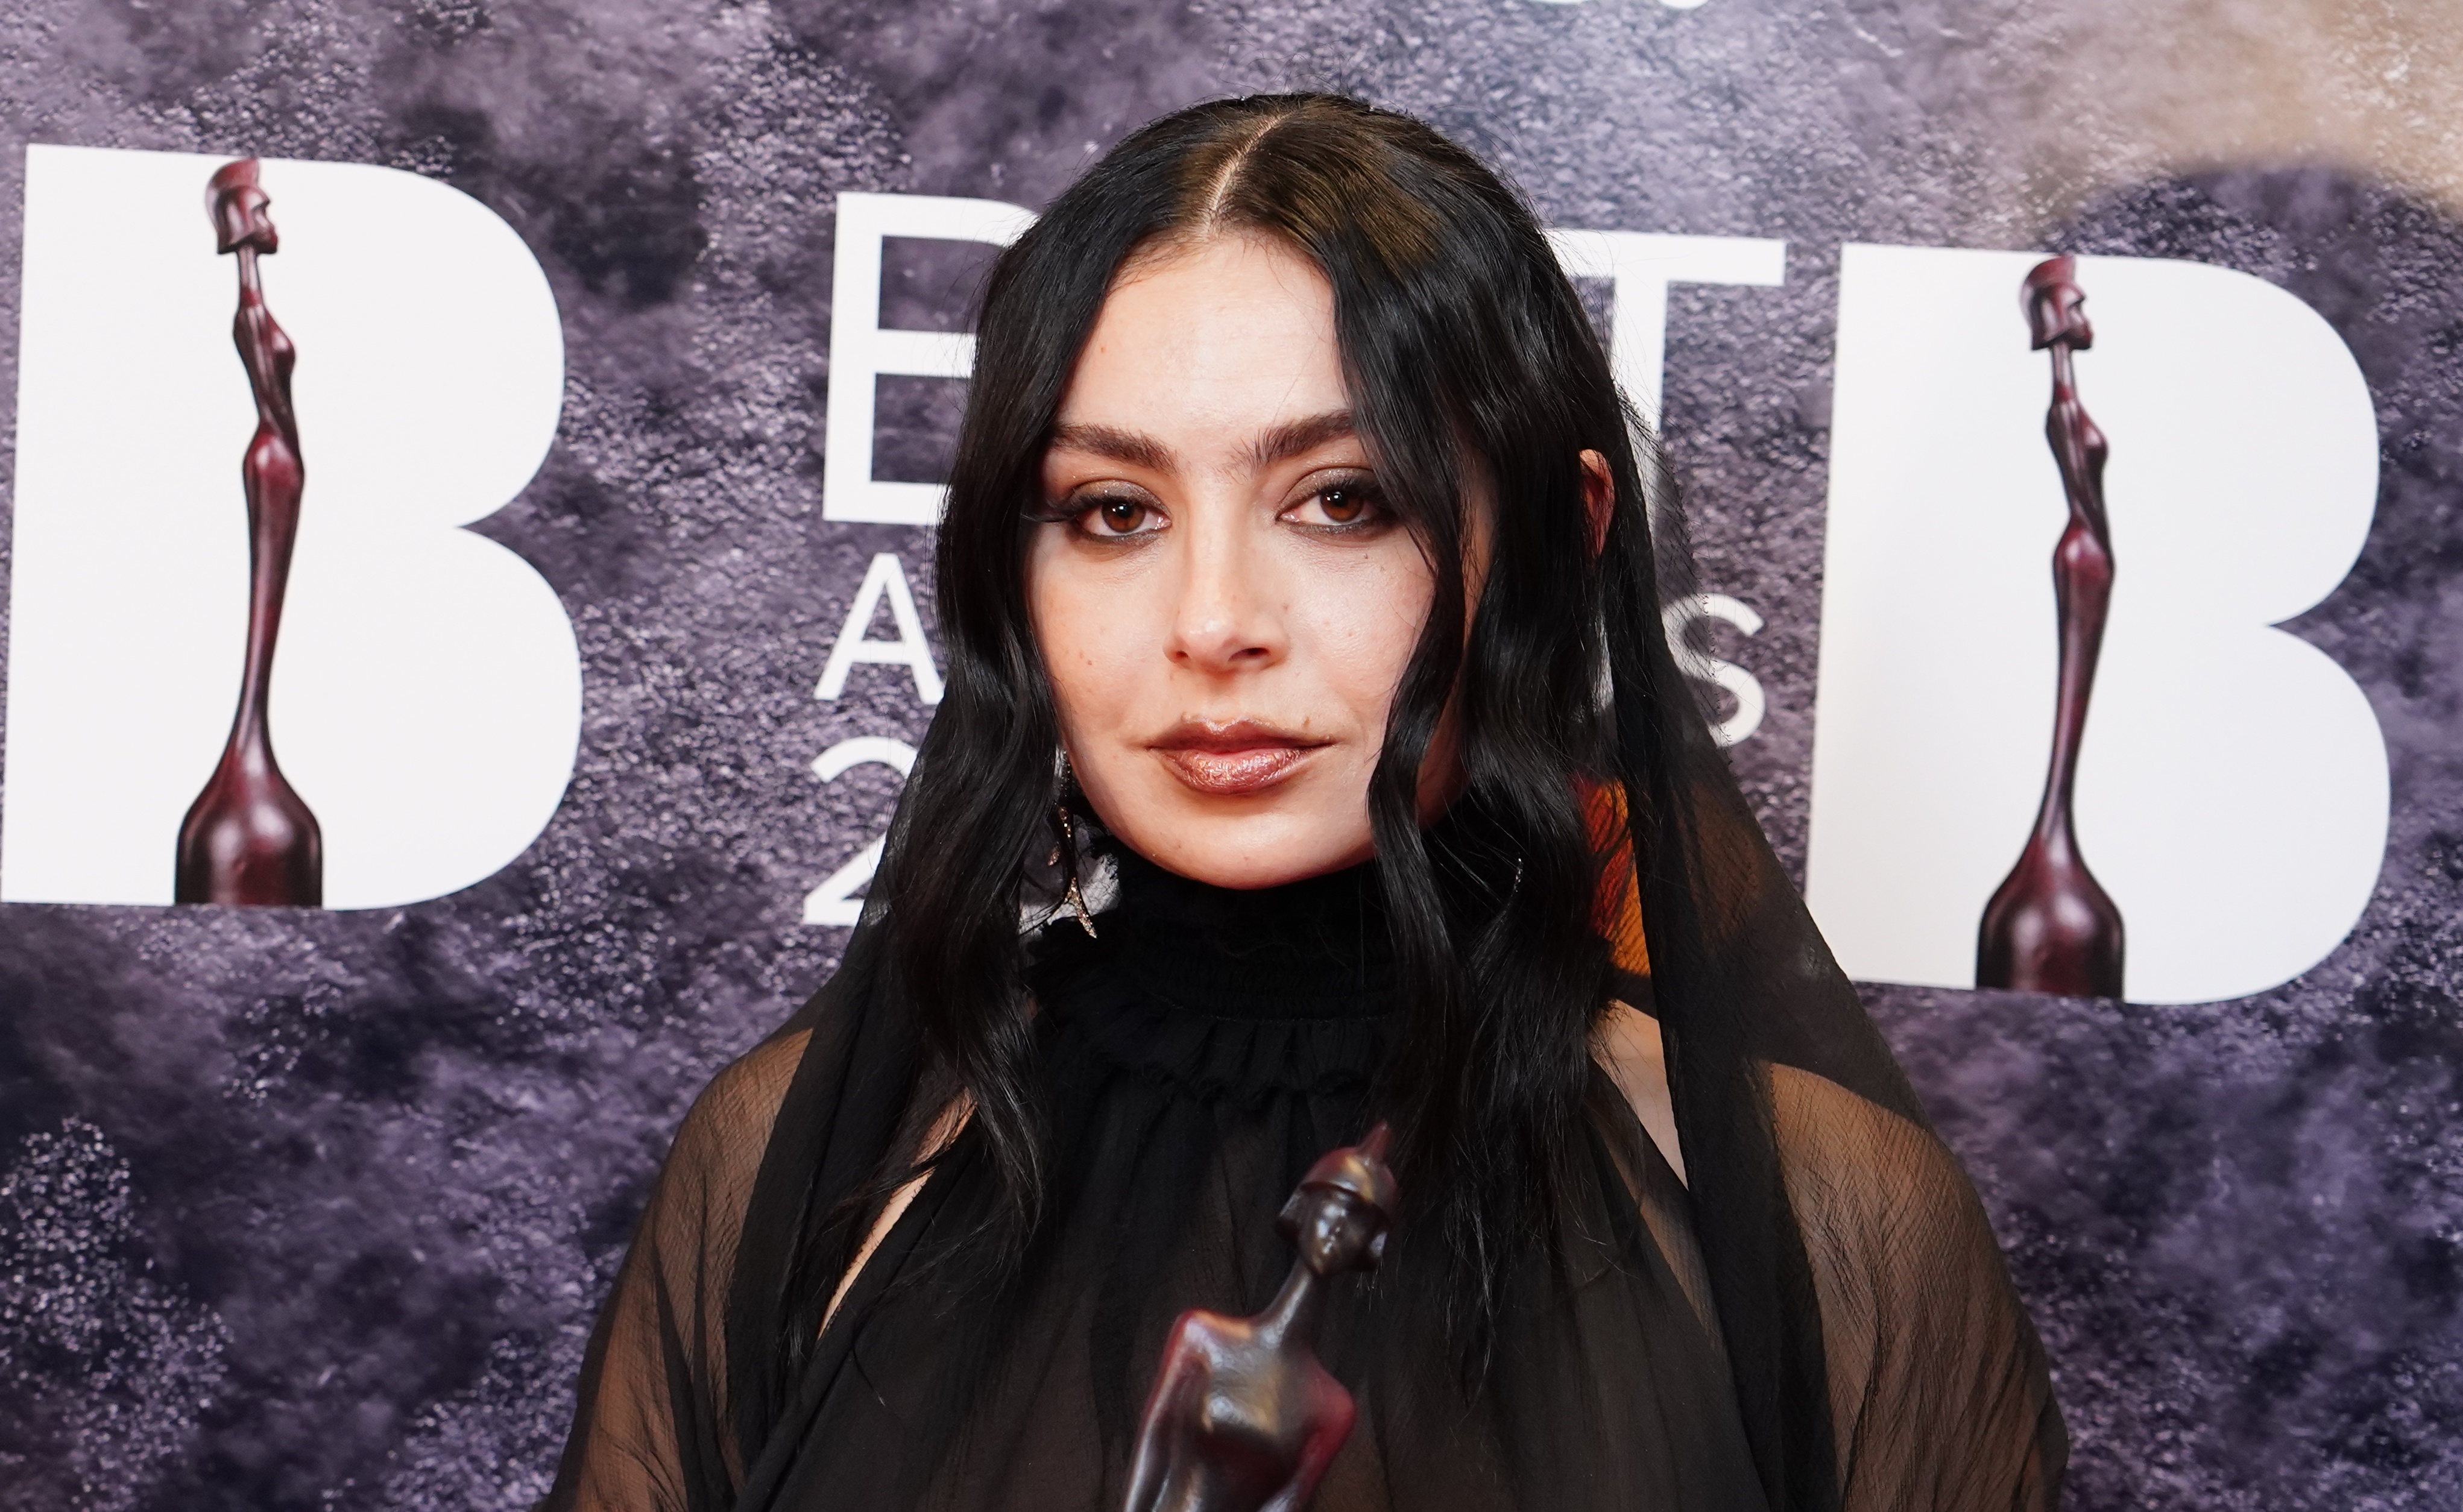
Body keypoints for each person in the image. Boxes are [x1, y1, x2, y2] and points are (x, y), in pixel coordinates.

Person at [548, 93, 2065, 1512]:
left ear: (1557, 536)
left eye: (1342, 499)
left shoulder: (1827, 1230)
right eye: (1113, 512)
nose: (1214, 621)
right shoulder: (803, 1172)